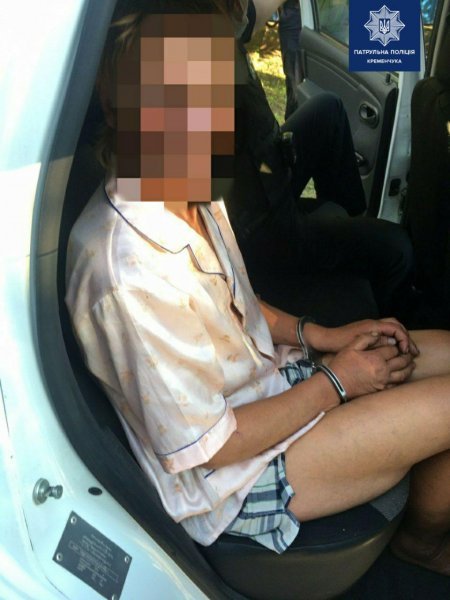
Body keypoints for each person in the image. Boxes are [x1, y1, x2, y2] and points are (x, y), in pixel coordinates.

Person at [66, 0, 450, 574]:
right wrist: (338, 380)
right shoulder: (126, 274)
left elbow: (240, 305)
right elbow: (215, 446)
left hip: (271, 385)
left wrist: (324, 335)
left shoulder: (188, 189)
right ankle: (422, 542)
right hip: (234, 480)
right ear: (117, 99)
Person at [222, 0, 417, 327]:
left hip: (263, 175)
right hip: (263, 233)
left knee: (327, 109)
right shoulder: (183, 49)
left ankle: (352, 224)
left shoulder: (213, 17)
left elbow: (248, 18)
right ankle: (391, 332)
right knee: (398, 249)